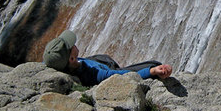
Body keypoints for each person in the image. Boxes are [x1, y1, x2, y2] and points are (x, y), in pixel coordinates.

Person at [43, 30, 173, 86]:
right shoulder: (93, 74)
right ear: (71, 59)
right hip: (108, 69)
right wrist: (152, 71)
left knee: (103, 57)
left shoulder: (61, 62)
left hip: (98, 62)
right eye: (72, 45)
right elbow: (119, 76)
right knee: (154, 63)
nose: (74, 43)